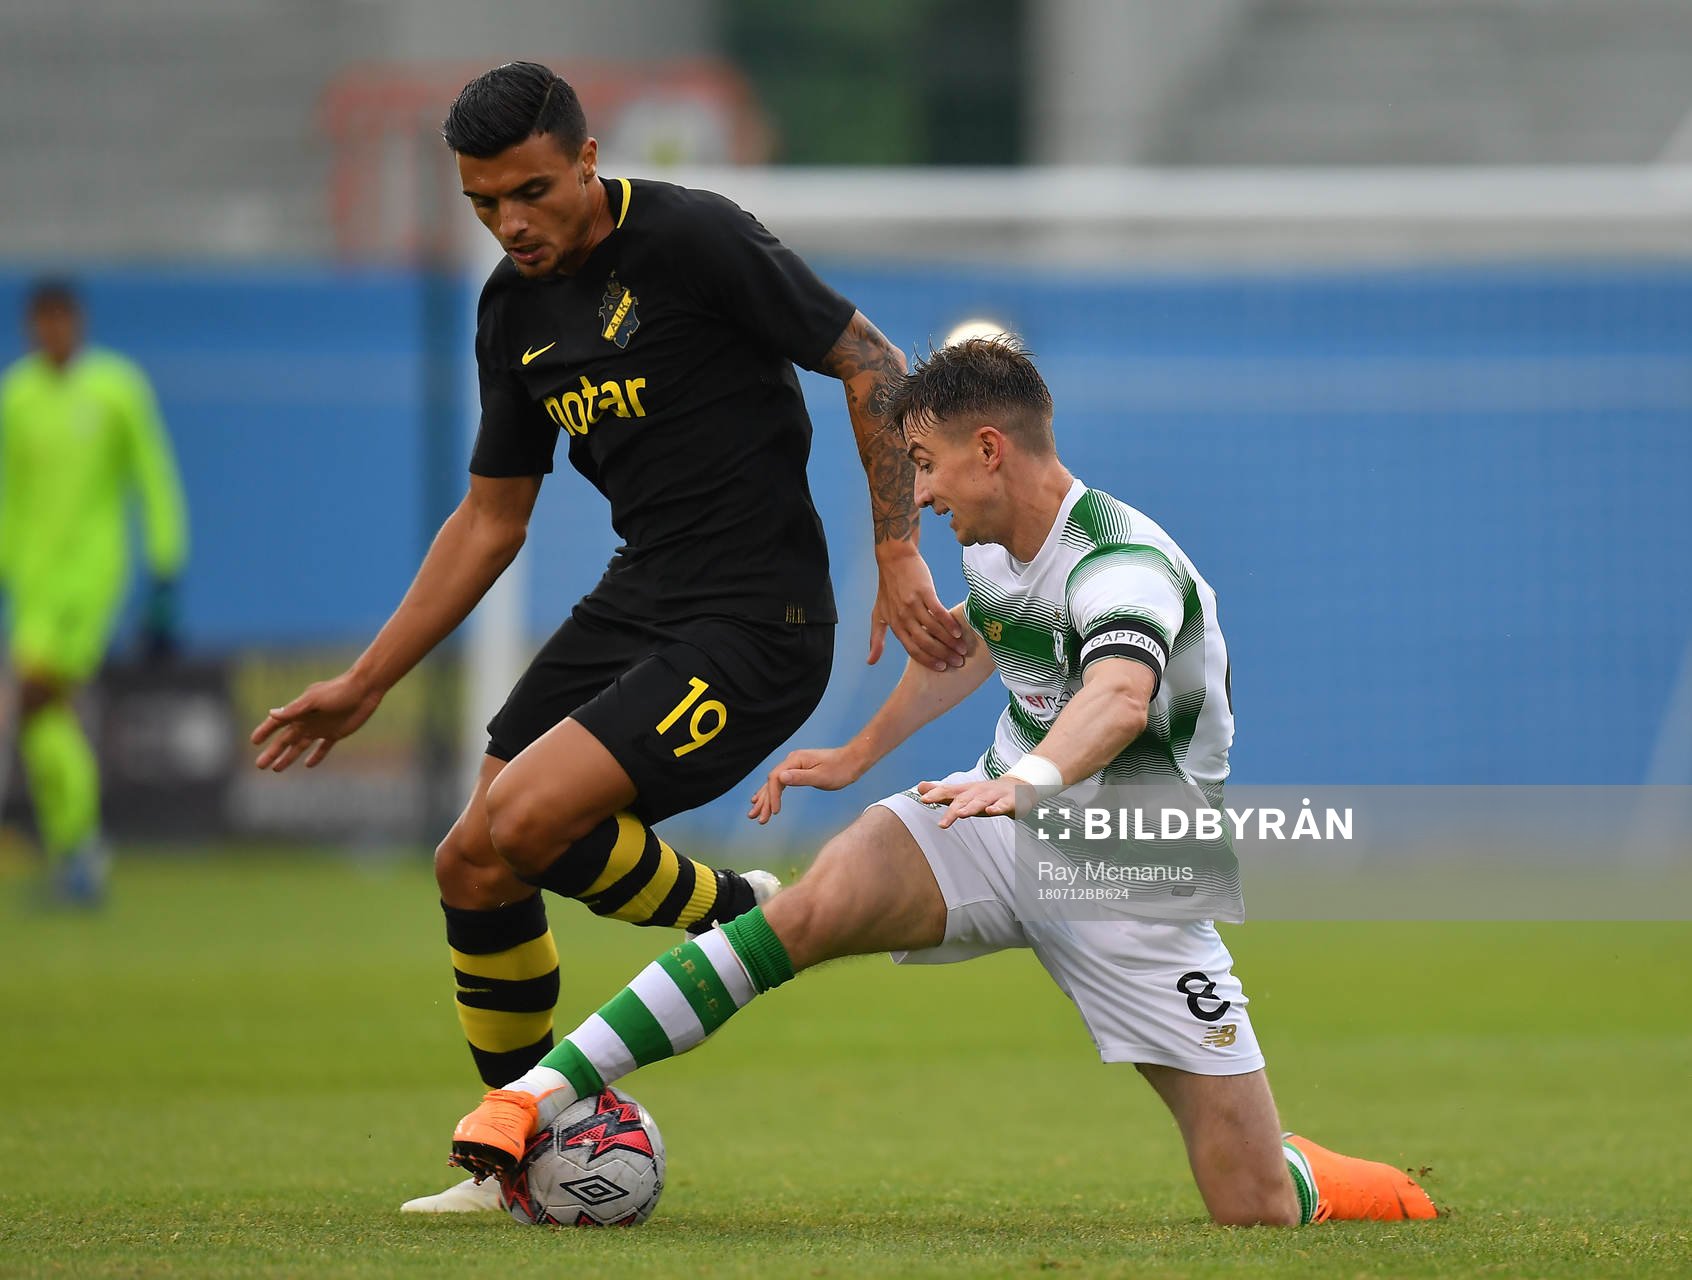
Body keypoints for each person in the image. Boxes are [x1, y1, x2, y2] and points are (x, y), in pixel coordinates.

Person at [447, 337, 1439, 1227]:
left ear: (990, 449)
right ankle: (533, 1094)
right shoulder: (1002, 549)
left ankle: (1302, 1170)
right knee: (811, 908)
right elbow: (978, 642)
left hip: (1132, 875)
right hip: (992, 817)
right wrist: (859, 754)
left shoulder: (1122, 568)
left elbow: (1120, 698)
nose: (917, 494)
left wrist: (1033, 779)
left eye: (924, 464)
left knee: (1253, 1207)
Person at [247, 62, 965, 1212]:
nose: (510, 222)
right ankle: (515, 1154)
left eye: (531, 191)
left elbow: (871, 359)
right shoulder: (508, 309)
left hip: (758, 619)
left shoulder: (692, 238)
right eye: (485, 202)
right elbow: (492, 518)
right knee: (472, 858)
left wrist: (895, 549)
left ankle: (738, 916)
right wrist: (369, 680)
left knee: (530, 818)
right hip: (641, 600)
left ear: (587, 160)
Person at [0, 279, 188, 905]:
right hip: (32, 584)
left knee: (38, 700)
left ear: (77, 322)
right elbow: (10, 495)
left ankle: (80, 852)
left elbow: (153, 478)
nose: (52, 331)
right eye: (42, 321)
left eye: (62, 319)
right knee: (39, 720)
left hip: (90, 576)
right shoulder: (17, 396)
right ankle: (75, 856)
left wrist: (165, 567)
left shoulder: (116, 388)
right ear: (31, 326)